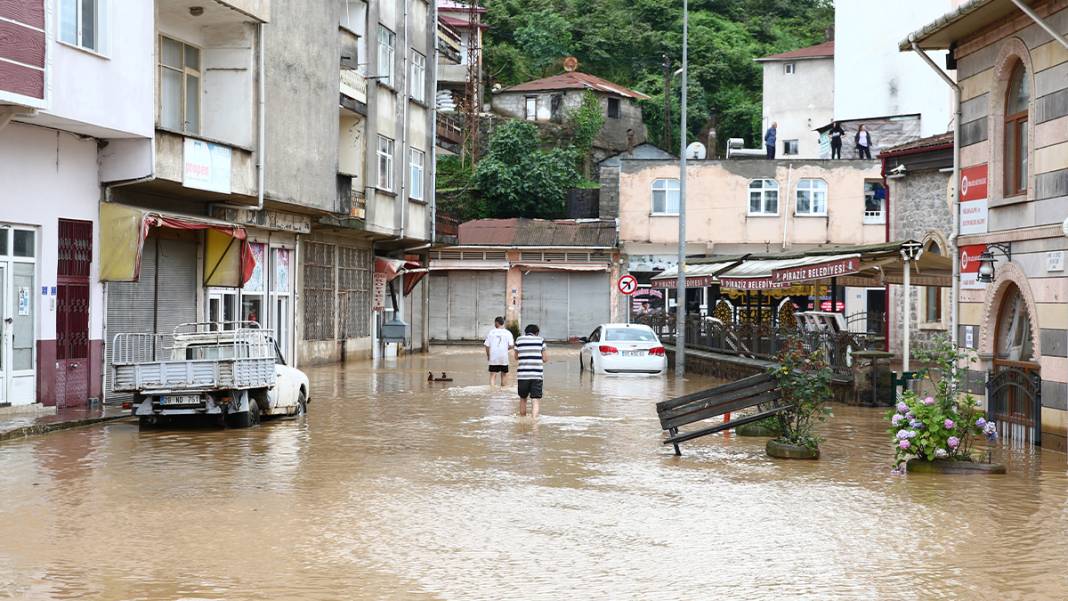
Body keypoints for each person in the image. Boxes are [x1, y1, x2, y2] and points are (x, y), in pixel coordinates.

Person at [514, 324, 548, 418]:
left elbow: (516, 357)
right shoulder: (540, 340)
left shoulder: (519, 339)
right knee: (535, 400)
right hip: (537, 375)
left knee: (523, 399)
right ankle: (534, 422)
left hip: (522, 375)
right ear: (536, 333)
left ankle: (522, 420)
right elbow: (545, 359)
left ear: (526, 332)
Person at [484, 316, 514, 386]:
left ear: (496, 323)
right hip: (503, 357)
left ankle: (492, 391)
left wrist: (488, 355)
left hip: (494, 357)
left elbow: (486, 345)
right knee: (504, 375)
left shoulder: (491, 332)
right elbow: (512, 345)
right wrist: (505, 349)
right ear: (503, 323)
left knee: (493, 375)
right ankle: (502, 392)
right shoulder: (508, 333)